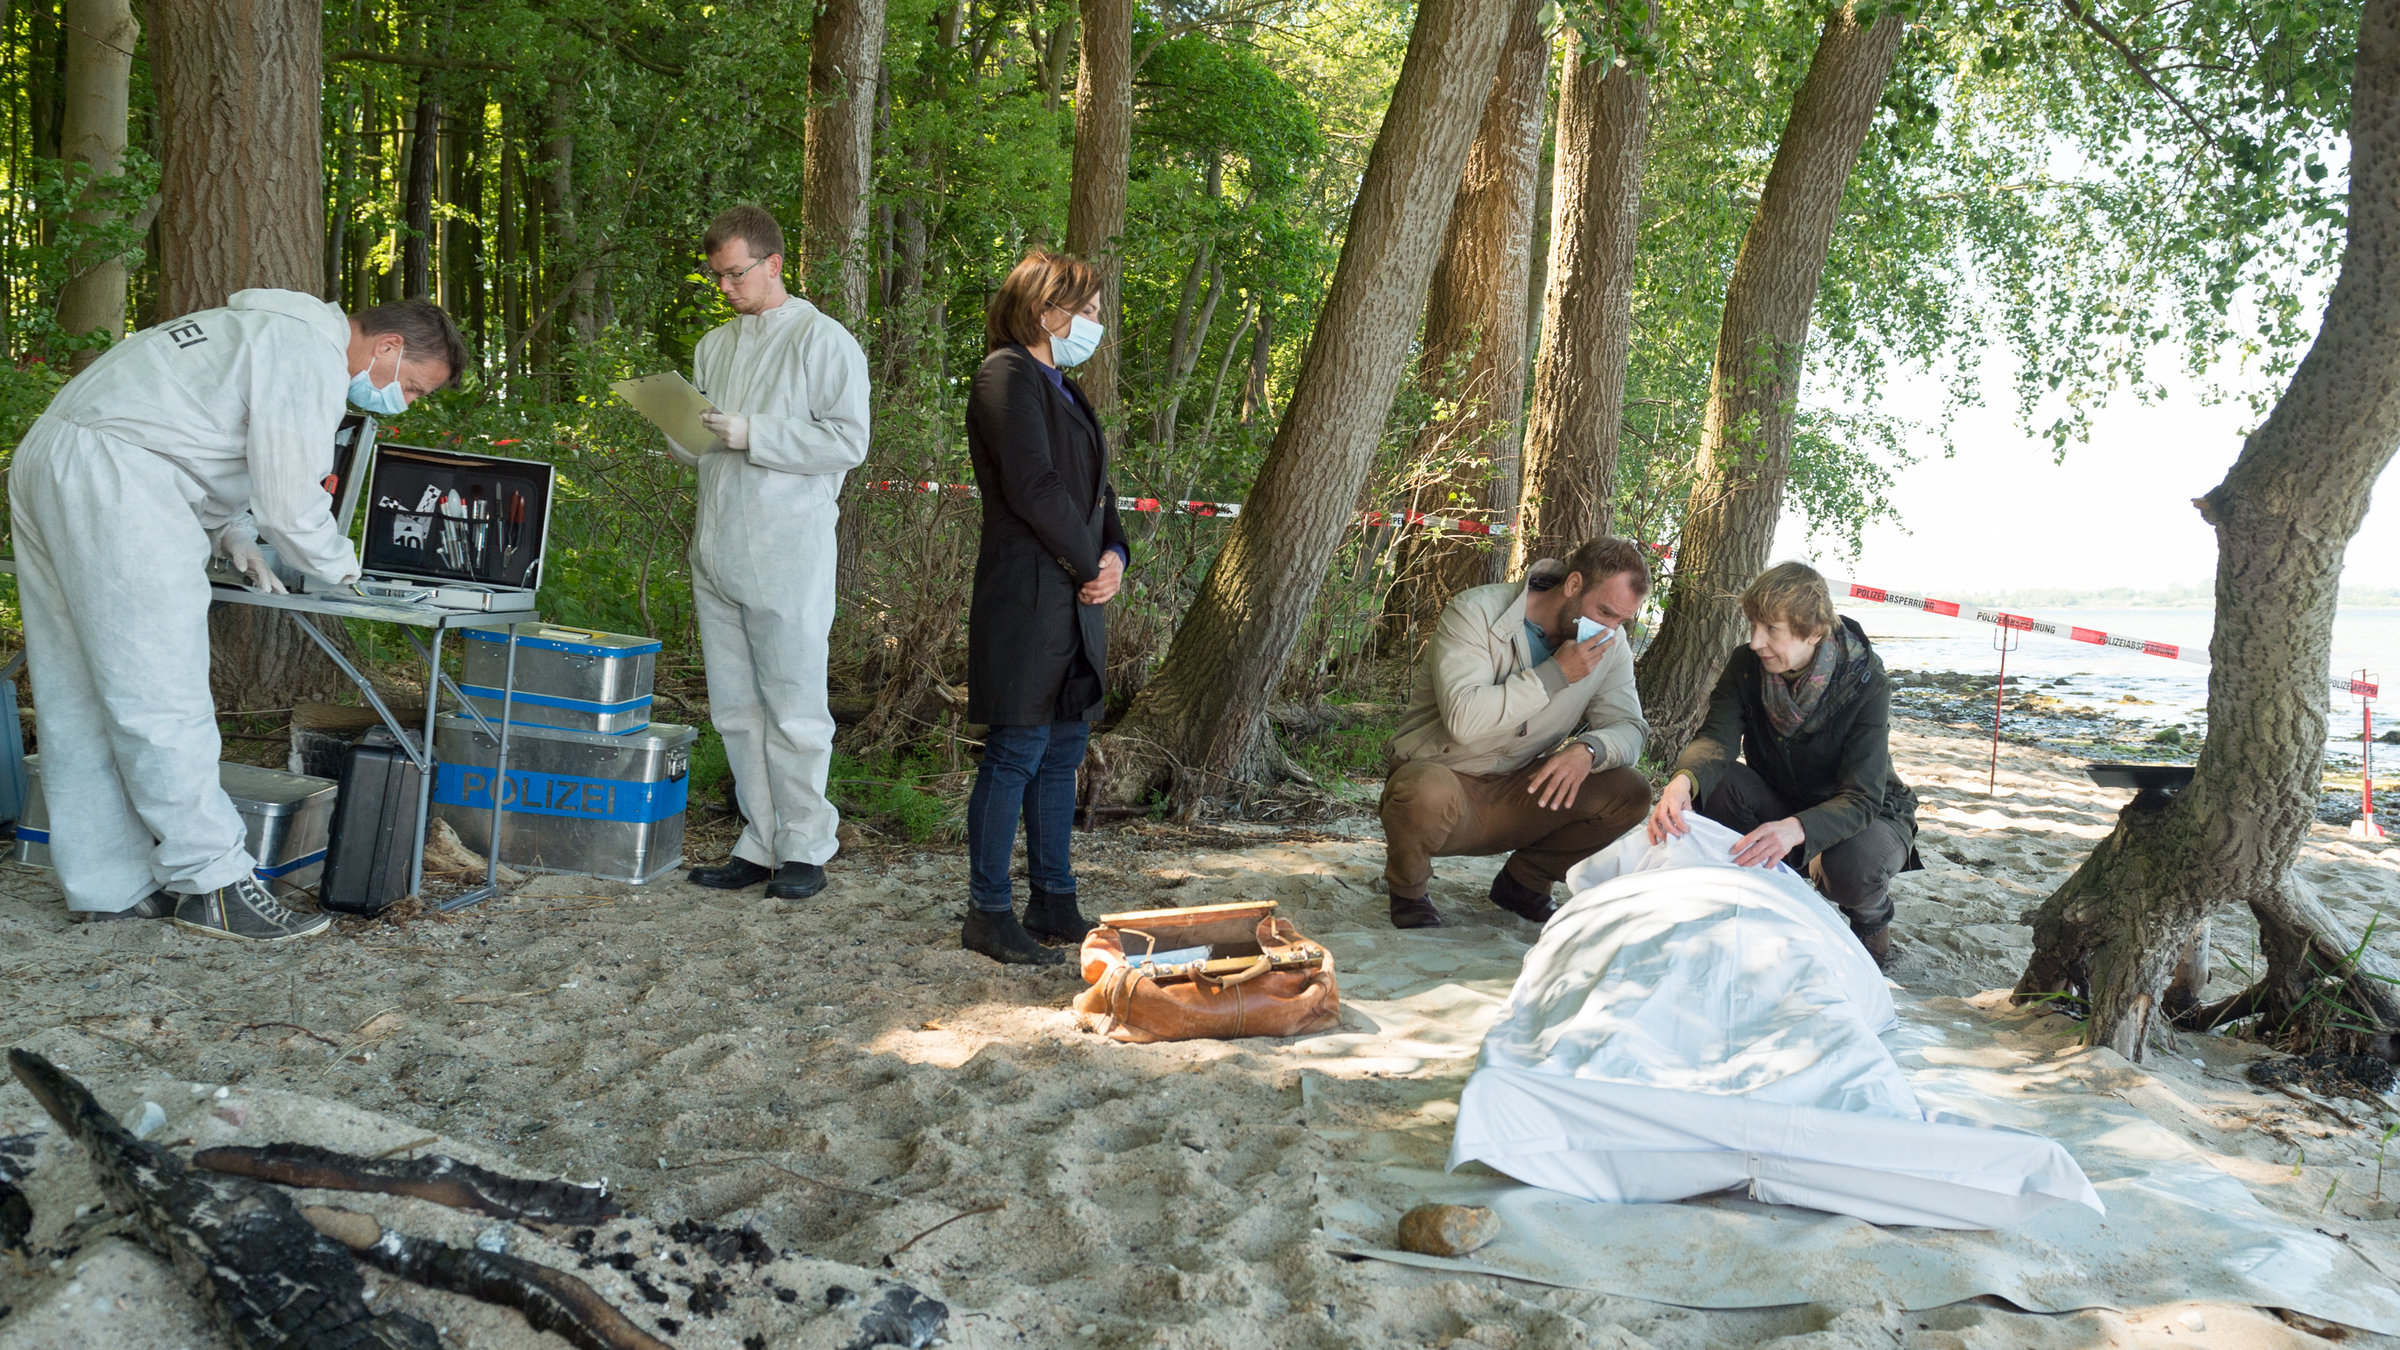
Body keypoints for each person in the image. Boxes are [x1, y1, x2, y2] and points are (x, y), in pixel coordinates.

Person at [12, 290, 462, 939]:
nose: (408, 402)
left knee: (74, 691)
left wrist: (230, 531)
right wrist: (349, 572)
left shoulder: (256, 330)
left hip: (58, 457)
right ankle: (214, 884)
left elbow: (194, 428)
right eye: (415, 388)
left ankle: (104, 883)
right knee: (163, 692)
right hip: (122, 480)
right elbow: (294, 503)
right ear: (389, 347)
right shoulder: (309, 352)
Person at [672, 205, 870, 902]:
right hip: (718, 542)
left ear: (773, 263)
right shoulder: (714, 346)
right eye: (716, 276)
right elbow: (700, 440)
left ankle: (807, 845)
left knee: (793, 706)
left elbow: (848, 441)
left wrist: (753, 432)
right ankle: (759, 839)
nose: (724, 287)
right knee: (734, 706)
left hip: (789, 548)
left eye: (735, 273)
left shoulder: (823, 341)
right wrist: (682, 426)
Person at [959, 250, 1129, 965]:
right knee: (1017, 750)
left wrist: (1116, 558)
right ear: (1042, 310)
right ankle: (988, 911)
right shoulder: (1007, 375)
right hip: (1028, 594)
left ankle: (1054, 898)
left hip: (1077, 594)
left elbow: (1099, 495)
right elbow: (1032, 485)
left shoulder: (1065, 387)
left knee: (1063, 751)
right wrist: (1085, 559)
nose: (1094, 325)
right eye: (1084, 311)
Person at [1647, 561, 1922, 967]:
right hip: (1782, 796)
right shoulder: (1746, 665)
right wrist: (1681, 783)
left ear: (1813, 632)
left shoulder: (1866, 681)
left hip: (1867, 814)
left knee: (1849, 867)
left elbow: (1862, 797)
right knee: (1715, 784)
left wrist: (1798, 829)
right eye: (1753, 626)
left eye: (1771, 630)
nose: (1756, 642)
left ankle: (1871, 921)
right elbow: (1715, 740)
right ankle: (1755, 902)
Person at [1380, 537, 1657, 930]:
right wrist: (1554, 675)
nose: (1610, 629)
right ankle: (1408, 892)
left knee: (1629, 791)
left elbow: (1629, 727)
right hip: (1445, 779)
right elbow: (1465, 721)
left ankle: (1523, 884)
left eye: (1621, 621)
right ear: (1574, 584)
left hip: (1518, 791)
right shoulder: (1475, 610)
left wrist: (1589, 750)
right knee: (1424, 790)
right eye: (1605, 612)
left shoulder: (1611, 643)